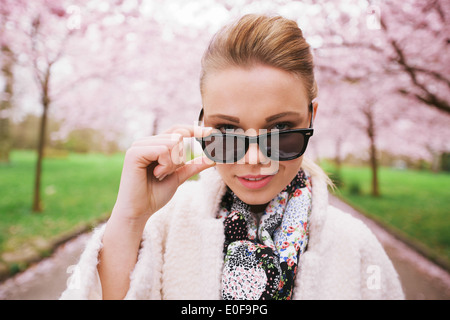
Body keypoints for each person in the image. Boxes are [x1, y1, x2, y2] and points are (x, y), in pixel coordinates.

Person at [60, 14, 404, 300]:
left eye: (281, 129)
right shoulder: (163, 228)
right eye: (227, 130)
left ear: (312, 117)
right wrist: (132, 216)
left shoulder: (356, 248)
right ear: (202, 124)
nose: (254, 158)